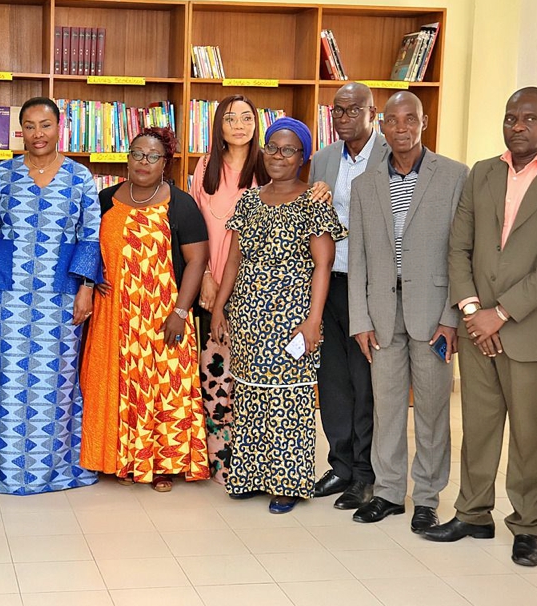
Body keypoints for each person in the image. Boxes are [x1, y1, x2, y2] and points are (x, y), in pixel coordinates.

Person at [423, 87, 537, 568]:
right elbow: (459, 247)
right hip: (478, 325)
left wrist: (503, 312)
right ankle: (473, 514)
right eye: (510, 117)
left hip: (528, 330)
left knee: (527, 434)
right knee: (477, 427)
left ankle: (526, 526)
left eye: (529, 119)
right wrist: (475, 309)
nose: (517, 126)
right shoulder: (482, 173)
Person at [346, 92, 467, 531]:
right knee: (387, 407)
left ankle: (428, 497)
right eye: (392, 120)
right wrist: (359, 319)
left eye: (409, 119)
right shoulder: (366, 184)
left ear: (424, 122)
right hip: (380, 313)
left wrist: (451, 317)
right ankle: (390, 492)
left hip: (433, 312)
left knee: (434, 409)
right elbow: (357, 257)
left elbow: (461, 252)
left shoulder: (454, 176)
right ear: (381, 124)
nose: (401, 128)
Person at [0, 97, 102, 495]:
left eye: (45, 125)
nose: (37, 133)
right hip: (5, 294)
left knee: (56, 380)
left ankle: (56, 469)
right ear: (20, 130)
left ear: (59, 127)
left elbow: (89, 237)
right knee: (4, 377)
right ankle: (3, 467)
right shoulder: (3, 175)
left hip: (59, 295)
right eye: (29, 125)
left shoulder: (79, 177)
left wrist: (86, 289)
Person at [211, 117, 344, 514]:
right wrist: (219, 306)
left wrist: (314, 319)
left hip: (293, 317)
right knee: (250, 393)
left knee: (288, 399)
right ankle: (250, 476)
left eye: (288, 150)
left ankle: (287, 481)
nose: (278, 156)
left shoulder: (313, 203)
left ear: (302, 157)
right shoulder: (249, 200)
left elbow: (324, 266)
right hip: (248, 315)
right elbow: (233, 258)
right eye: (272, 147)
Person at [81, 126, 210, 492]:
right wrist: (93, 280)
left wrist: (181, 312)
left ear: (165, 163)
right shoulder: (106, 198)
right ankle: (122, 459)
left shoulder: (180, 204)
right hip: (113, 314)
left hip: (162, 314)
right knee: (116, 386)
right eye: (137, 153)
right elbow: (90, 247)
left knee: (164, 388)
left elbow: (197, 260)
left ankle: (162, 465)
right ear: (127, 157)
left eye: (153, 156)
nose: (143, 162)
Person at [308, 82, 388, 510]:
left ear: (372, 112)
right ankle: (339, 465)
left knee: (365, 381)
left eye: (353, 109)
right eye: (337, 110)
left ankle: (365, 473)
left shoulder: (390, 155)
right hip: (328, 280)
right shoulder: (321, 159)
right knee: (333, 379)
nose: (343, 117)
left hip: (372, 285)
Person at [190, 95, 266, 484]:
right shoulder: (205, 168)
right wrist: (204, 275)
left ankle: (254, 462)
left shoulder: (268, 167)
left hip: (254, 289)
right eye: (231, 118)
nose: (239, 124)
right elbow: (195, 229)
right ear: (218, 125)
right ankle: (220, 463)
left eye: (247, 117)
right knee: (214, 377)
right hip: (212, 284)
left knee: (251, 377)